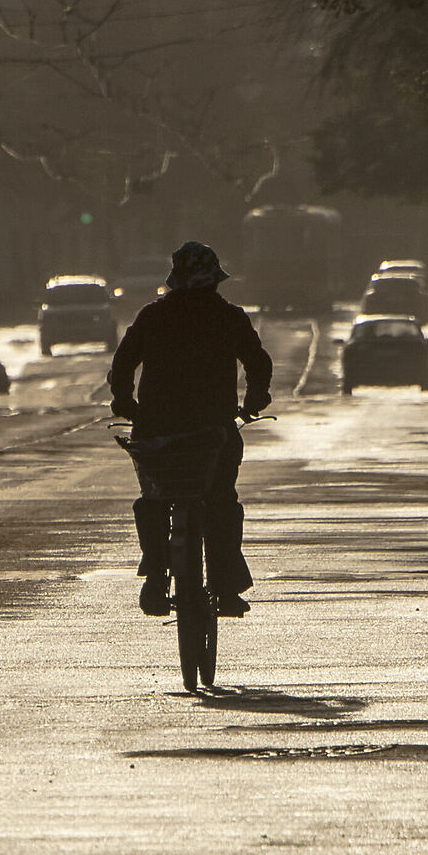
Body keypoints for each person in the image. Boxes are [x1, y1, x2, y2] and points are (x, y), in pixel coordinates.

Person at [108, 241, 272, 617]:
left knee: (153, 500)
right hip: (213, 432)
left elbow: (123, 363)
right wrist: (254, 400)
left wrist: (124, 402)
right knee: (221, 503)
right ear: (214, 280)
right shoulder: (229, 317)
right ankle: (226, 589)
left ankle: (155, 578)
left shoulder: (153, 316)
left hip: (157, 434)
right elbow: (258, 364)